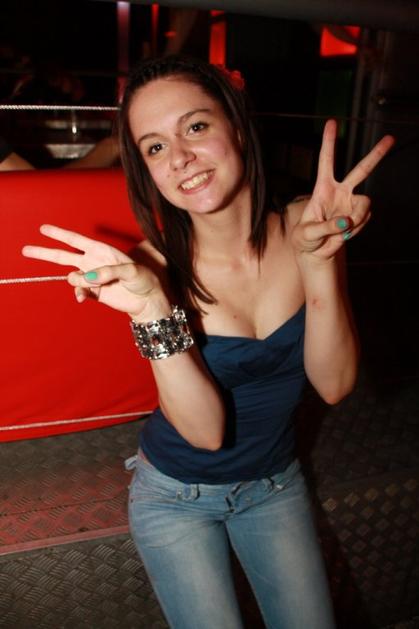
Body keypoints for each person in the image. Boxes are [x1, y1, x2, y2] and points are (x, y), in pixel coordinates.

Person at [22, 55, 394, 629]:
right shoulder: (151, 268)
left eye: (195, 126)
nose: (179, 158)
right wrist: (152, 308)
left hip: (276, 483)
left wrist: (319, 263)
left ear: (238, 128)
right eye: (155, 147)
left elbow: (335, 384)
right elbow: (206, 433)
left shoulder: (307, 224)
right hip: (176, 497)